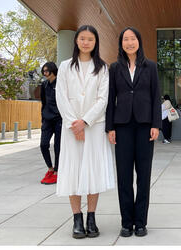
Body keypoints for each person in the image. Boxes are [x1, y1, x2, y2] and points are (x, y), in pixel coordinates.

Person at [55, 25, 114, 239]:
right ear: (76, 41)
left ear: (96, 42)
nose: (86, 42)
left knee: (93, 171)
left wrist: (85, 121)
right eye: (82, 38)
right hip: (71, 129)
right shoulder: (65, 66)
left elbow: (103, 99)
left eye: (90, 39)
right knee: (73, 171)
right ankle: (77, 219)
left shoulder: (103, 68)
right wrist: (74, 123)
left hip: (95, 127)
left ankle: (91, 217)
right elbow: (61, 97)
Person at [106, 27, 161, 238]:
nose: (129, 42)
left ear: (139, 41)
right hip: (122, 126)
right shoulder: (114, 68)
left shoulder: (150, 67)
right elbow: (111, 99)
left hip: (145, 126)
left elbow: (156, 97)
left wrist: (156, 124)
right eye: (125, 39)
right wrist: (110, 127)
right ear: (121, 43)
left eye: (133, 38)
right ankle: (126, 222)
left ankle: (140, 222)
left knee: (144, 176)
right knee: (124, 176)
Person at [39, 62, 62, 185]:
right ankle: (50, 168)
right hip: (47, 119)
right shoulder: (44, 84)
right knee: (43, 145)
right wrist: (43, 118)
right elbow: (43, 102)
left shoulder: (61, 84)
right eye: (44, 71)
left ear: (53, 71)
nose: (45, 73)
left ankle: (57, 172)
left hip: (59, 119)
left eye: (47, 71)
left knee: (58, 147)